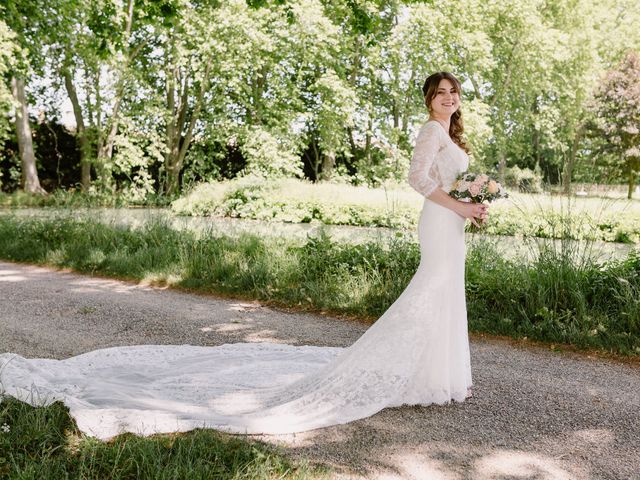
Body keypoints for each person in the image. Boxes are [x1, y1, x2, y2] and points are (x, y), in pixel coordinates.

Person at [0, 71, 486, 440]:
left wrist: (471, 203)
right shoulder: (429, 131)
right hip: (441, 220)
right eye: (441, 91)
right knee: (429, 292)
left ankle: (439, 376)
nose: (449, 97)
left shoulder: (451, 136)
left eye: (454, 92)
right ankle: (422, 373)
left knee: (445, 294)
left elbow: (445, 181)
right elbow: (418, 182)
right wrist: (462, 204)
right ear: (428, 98)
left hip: (451, 222)